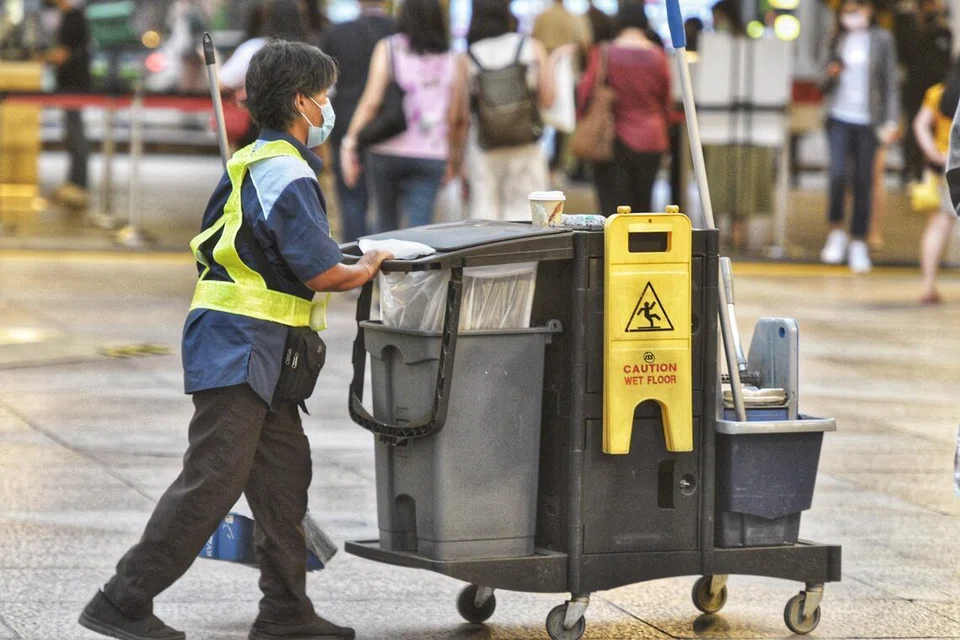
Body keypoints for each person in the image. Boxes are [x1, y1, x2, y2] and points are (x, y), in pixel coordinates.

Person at [78, 40, 392, 640]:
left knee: (282, 483)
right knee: (214, 480)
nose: (328, 108)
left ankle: (286, 612)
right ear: (301, 101)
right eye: (323, 96)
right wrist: (370, 264)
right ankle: (122, 600)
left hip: (261, 353)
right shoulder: (287, 171)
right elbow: (322, 272)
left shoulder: (256, 160)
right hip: (241, 348)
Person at [340, 0, 469, 232]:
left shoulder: (389, 48)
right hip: (431, 153)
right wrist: (454, 159)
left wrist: (350, 142)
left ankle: (383, 257)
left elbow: (371, 102)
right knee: (419, 230)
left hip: (386, 150)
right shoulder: (454, 59)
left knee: (384, 224)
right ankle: (416, 257)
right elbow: (457, 117)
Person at [819, 0, 900, 274]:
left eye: (857, 10)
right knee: (837, 175)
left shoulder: (882, 39)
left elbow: (889, 82)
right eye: (847, 11)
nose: (851, 16)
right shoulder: (836, 37)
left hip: (868, 121)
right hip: (839, 117)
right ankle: (836, 232)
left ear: (869, 10)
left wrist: (891, 119)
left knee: (864, 180)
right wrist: (831, 73)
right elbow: (821, 79)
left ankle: (858, 241)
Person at [463, 0, 556, 220]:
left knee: (485, 214)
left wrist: (456, 160)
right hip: (526, 145)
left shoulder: (470, 56)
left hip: (485, 147)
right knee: (525, 214)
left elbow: (461, 113)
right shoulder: (531, 47)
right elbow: (548, 99)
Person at [577, 1, 671, 216]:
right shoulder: (658, 55)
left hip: (612, 139)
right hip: (651, 138)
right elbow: (665, 99)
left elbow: (585, 93)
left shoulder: (605, 52)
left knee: (613, 213)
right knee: (643, 209)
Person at [319, 0, 396, 242]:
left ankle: (356, 252)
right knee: (388, 201)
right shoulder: (399, 31)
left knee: (351, 195)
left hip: (345, 119)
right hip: (392, 123)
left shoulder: (336, 33)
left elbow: (326, 85)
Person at [913, 65, 958, 303]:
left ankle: (928, 286)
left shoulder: (939, 92)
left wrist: (934, 153)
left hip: (945, 167)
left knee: (938, 226)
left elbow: (920, 124)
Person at [895, 0, 952, 185]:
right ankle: (911, 172)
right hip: (914, 90)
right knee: (913, 131)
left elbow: (945, 63)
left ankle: (932, 171)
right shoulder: (908, 28)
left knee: (936, 132)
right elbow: (902, 55)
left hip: (936, 93)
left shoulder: (943, 31)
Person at [42, 0, 90, 210]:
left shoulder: (73, 17)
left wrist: (41, 58)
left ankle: (79, 184)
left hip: (74, 84)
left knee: (75, 134)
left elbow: (63, 54)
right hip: (71, 83)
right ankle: (74, 183)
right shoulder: (69, 16)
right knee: (72, 134)